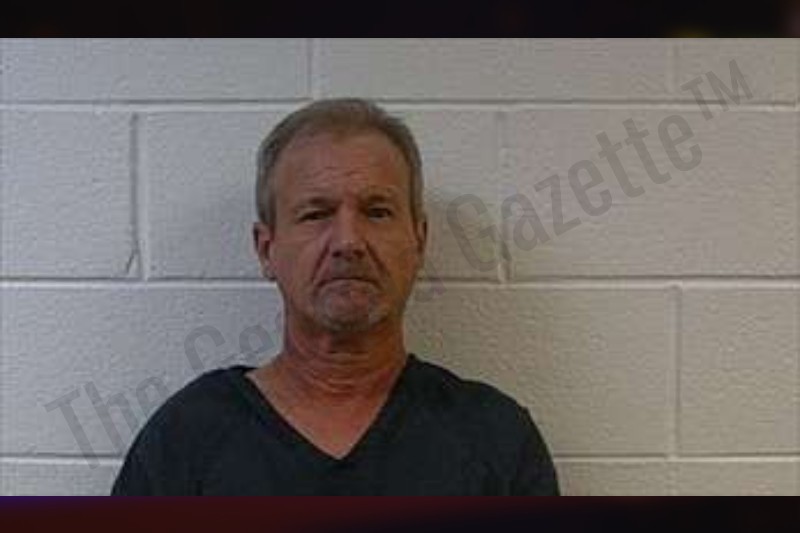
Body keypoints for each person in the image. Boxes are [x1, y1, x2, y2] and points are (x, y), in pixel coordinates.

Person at [111, 98, 559, 495]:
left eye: (377, 212)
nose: (348, 241)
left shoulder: (496, 438)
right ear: (266, 249)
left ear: (419, 241)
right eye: (316, 214)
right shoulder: (186, 438)